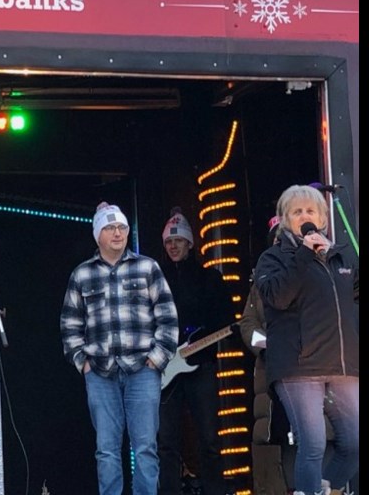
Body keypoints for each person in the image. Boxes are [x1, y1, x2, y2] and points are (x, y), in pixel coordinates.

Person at [61, 202, 179, 495]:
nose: (117, 233)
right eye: (110, 228)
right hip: (100, 372)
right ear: (97, 234)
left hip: (143, 369)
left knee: (146, 447)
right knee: (106, 449)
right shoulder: (82, 274)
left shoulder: (147, 267)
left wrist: (156, 359)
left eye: (122, 227)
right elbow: (69, 324)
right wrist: (82, 362)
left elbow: (168, 317)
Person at [254, 185, 359, 495]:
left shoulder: (340, 256)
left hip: (342, 363)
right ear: (285, 220)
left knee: (354, 441)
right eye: (297, 212)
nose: (305, 216)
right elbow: (278, 296)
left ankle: (326, 488)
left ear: (323, 219)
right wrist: (303, 255)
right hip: (298, 365)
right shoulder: (273, 258)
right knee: (311, 444)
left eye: (310, 211)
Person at [157, 208, 230, 495]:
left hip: (201, 366)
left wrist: (201, 339)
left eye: (178, 240)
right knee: (166, 442)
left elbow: (226, 318)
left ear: (190, 243)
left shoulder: (209, 278)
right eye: (168, 242)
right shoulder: (157, 278)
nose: (173, 246)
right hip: (165, 368)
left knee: (209, 438)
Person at [240, 216, 292, 495]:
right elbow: (247, 324)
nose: (280, 243)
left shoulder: (312, 272)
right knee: (271, 441)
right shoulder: (259, 282)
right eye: (276, 238)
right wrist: (267, 343)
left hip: (307, 371)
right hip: (269, 374)